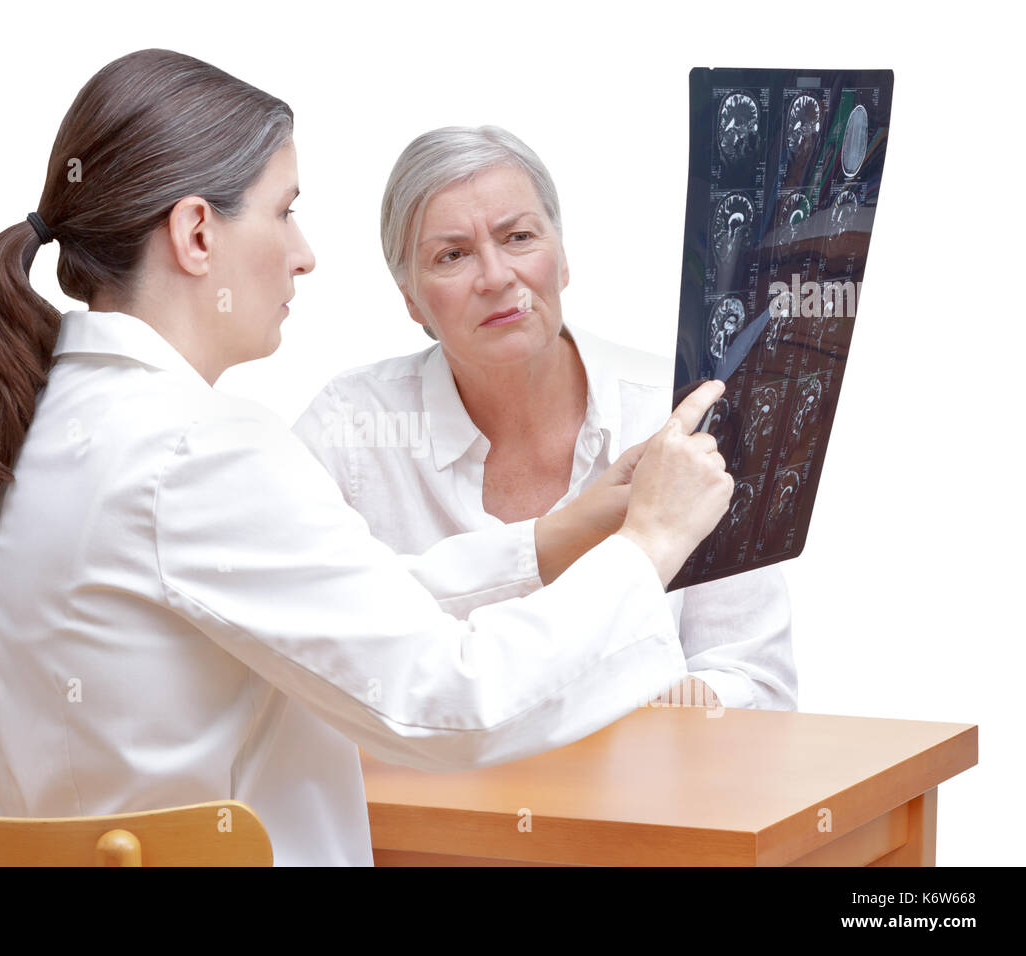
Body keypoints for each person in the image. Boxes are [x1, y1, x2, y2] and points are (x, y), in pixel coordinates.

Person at [0, 50, 733, 866]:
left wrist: (547, 544)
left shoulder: (56, 426)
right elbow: (454, 699)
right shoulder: (199, 451)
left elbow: (332, 607)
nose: (305, 253)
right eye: (284, 212)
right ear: (196, 232)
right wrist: (651, 545)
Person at [293, 127, 796, 712]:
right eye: (451, 255)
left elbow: (758, 681)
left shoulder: (686, 416)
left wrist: (668, 705)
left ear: (561, 259)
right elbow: (308, 636)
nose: (497, 276)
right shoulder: (349, 431)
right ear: (410, 299)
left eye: (519, 237)